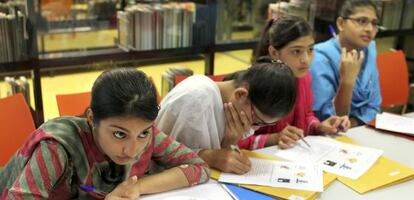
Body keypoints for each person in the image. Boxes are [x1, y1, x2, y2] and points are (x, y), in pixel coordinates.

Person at [0, 68, 210, 199]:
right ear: (92, 119)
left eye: (143, 134)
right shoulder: (57, 147)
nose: (133, 150)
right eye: (119, 135)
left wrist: (136, 188)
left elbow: (199, 168)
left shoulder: (145, 133)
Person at [156, 57, 297, 174]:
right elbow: (165, 159)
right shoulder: (197, 99)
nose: (252, 127)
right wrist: (212, 157)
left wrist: (230, 142)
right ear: (241, 94)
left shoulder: (231, 105)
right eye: (257, 121)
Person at [249, 15, 351, 149]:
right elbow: (234, 141)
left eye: (310, 50)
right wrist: (273, 138)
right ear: (274, 53)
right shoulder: (256, 83)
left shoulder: (304, 77)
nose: (306, 60)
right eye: (297, 51)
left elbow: (307, 115)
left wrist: (319, 126)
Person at [310, 0, 381, 127]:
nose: (370, 29)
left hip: (360, 128)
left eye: (374, 23)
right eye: (362, 21)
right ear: (341, 24)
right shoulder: (320, 57)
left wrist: (353, 124)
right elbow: (328, 119)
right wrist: (347, 82)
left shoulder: (369, 51)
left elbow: (374, 106)